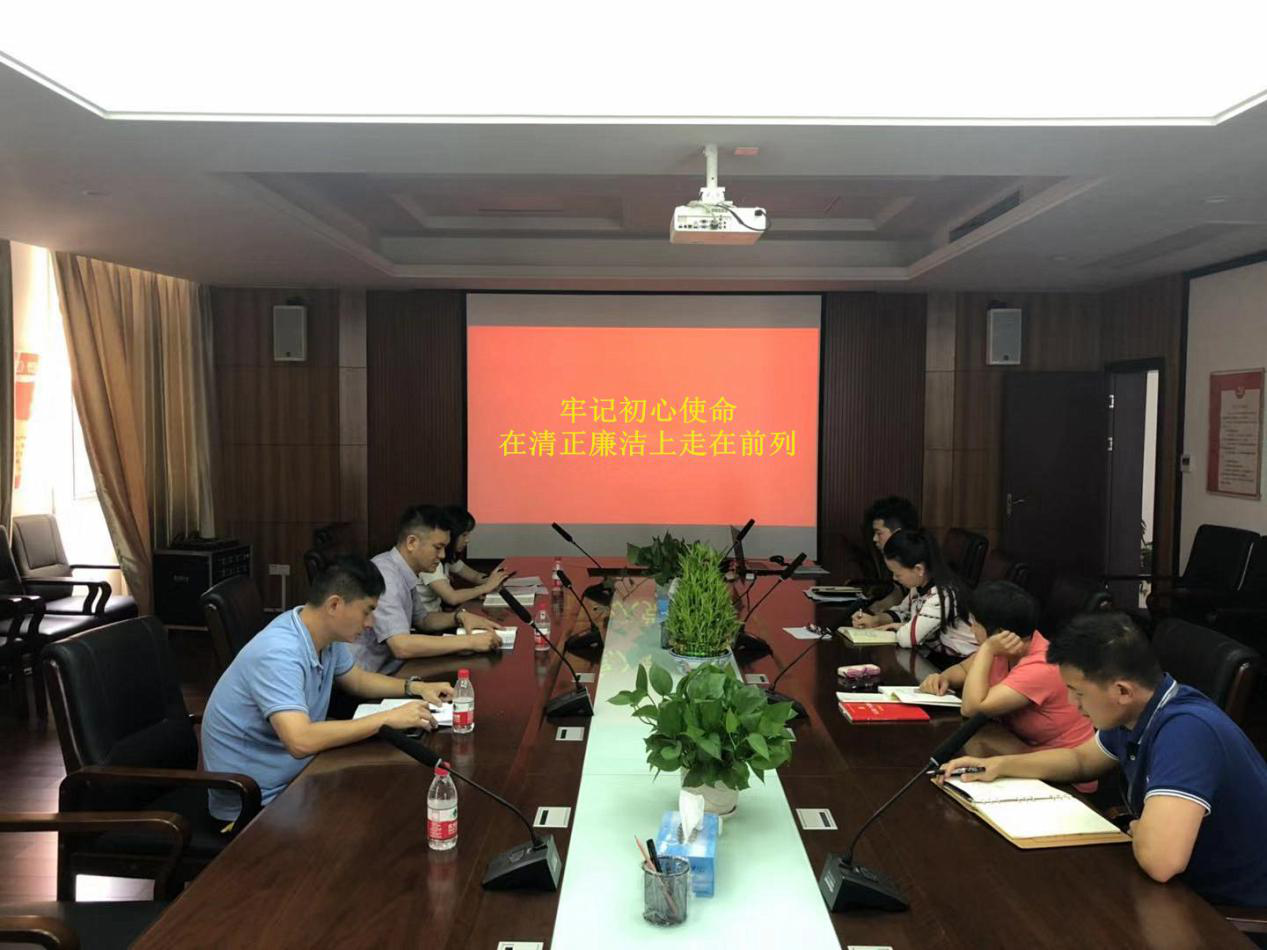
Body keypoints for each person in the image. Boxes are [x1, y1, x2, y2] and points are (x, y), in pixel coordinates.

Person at [941, 612, 1267, 912]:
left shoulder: (1187, 731)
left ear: (1122, 690)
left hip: (1229, 908)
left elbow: (1161, 861)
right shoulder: (1139, 710)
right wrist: (1000, 766)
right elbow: (1081, 760)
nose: (1072, 703)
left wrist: (1140, 828)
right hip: (1178, 887)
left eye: (1078, 692)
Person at [201, 556, 454, 824]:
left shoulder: (320, 633)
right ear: (334, 605)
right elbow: (300, 741)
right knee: (379, 816)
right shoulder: (278, 653)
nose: (370, 623)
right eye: (367, 611)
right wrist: (386, 719)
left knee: (389, 796)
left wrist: (415, 687)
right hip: (256, 802)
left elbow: (357, 680)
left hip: (300, 775)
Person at [919, 581, 1094, 786]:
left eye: (975, 622)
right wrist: (943, 678)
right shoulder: (1009, 646)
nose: (971, 628)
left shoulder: (1040, 665)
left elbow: (972, 709)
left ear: (1000, 632)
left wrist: (987, 649)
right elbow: (964, 670)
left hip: (1060, 775)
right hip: (1018, 752)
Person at [353, 504, 501, 674]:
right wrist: (470, 642)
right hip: (370, 675)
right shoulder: (386, 575)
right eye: (437, 548)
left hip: (393, 667)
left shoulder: (405, 570)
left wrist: (459, 617)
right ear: (412, 543)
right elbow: (401, 646)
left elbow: (423, 620)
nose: (442, 555)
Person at [851, 528, 977, 663]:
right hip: (936, 656)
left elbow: (907, 638)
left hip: (961, 662)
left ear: (919, 569)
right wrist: (876, 620)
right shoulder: (919, 586)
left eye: (898, 574)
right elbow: (903, 612)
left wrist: (898, 627)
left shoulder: (942, 596)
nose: (894, 578)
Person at [413, 505, 510, 620]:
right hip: (426, 622)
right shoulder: (430, 560)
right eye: (464, 535)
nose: (467, 540)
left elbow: (475, 576)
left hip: (436, 617)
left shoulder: (448, 557)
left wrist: (495, 579)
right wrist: (485, 587)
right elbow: (452, 598)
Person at [852, 496, 920, 625]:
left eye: (879, 533)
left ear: (897, 533)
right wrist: (875, 619)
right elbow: (903, 611)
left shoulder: (919, 567)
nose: (874, 539)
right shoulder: (900, 560)